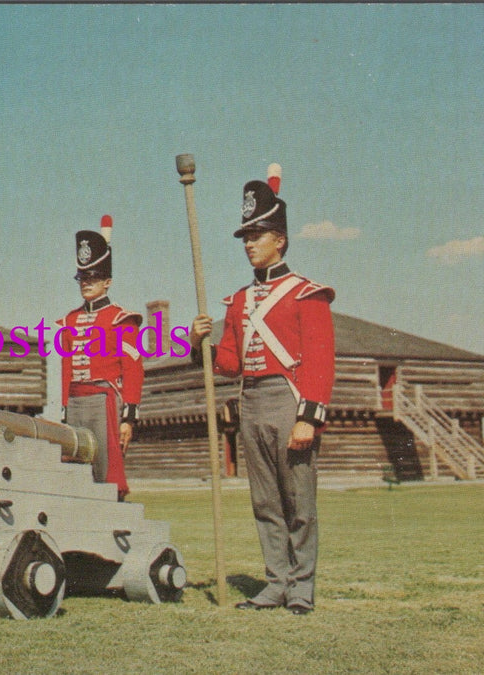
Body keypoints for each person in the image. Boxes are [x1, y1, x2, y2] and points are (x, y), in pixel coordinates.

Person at [190, 165, 335, 615]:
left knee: (299, 502)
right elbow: (230, 365)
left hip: (289, 401)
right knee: (265, 501)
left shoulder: (305, 293)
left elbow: (320, 360)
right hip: (250, 401)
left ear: (280, 240)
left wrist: (308, 418)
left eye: (257, 235)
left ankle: (301, 589)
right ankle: (275, 583)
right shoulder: (237, 300)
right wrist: (201, 345)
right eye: (246, 237)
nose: (249, 244)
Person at [56, 215, 143, 501]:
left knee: (106, 470)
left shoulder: (120, 319)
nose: (86, 283)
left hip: (105, 401)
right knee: (75, 467)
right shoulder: (71, 319)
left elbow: (132, 370)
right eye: (82, 277)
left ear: (107, 281)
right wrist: (65, 407)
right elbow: (66, 368)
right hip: (77, 401)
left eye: (92, 277)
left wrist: (128, 416)